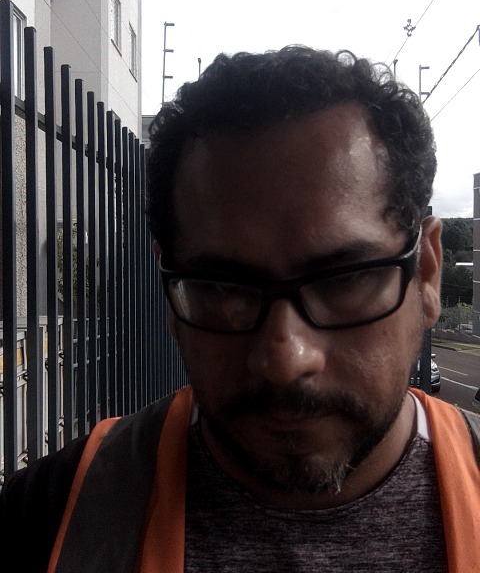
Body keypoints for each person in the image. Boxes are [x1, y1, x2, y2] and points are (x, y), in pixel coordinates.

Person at [1, 46, 479, 572]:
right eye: (223, 289)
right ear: (170, 291)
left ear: (427, 273)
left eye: (344, 280)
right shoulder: (40, 520)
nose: (285, 360)